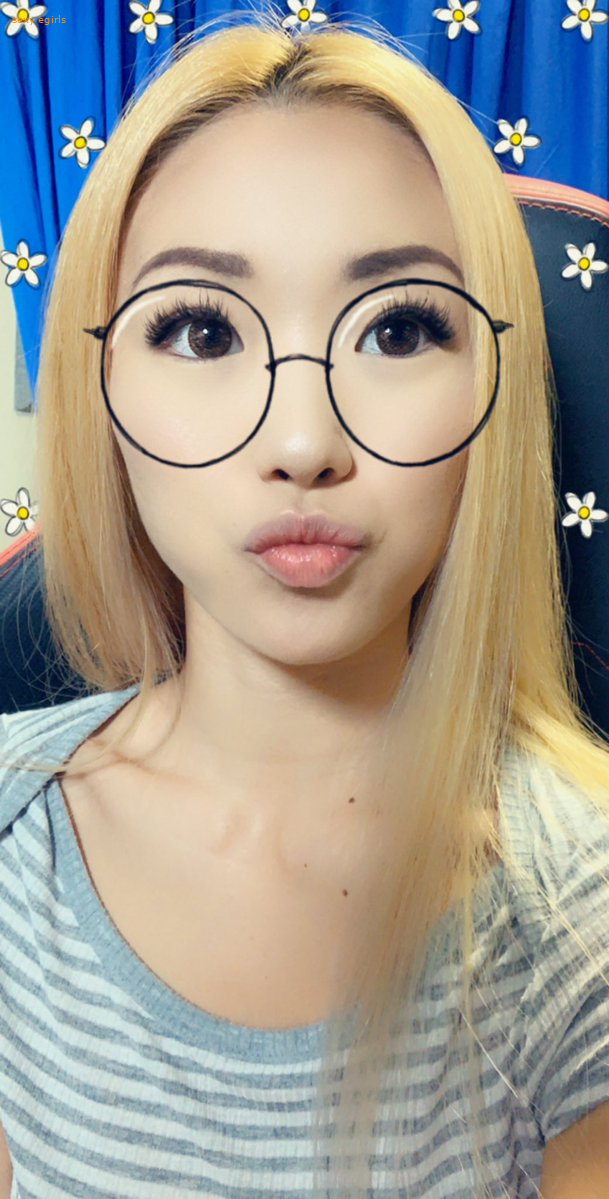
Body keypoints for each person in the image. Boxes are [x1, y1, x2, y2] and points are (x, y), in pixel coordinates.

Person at [2, 12, 609, 1198]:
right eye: (199, 329)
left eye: (398, 328)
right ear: (100, 384)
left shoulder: (580, 905)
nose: (300, 439)